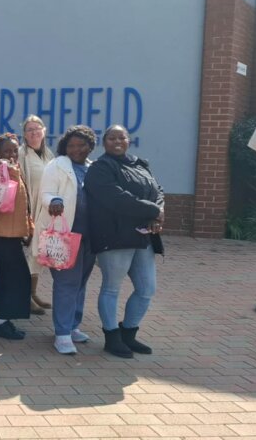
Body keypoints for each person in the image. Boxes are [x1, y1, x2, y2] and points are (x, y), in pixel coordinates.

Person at [84, 125, 165, 359]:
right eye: (112, 138)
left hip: (142, 236)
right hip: (115, 236)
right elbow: (116, 198)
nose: (117, 141)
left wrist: (158, 211)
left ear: (129, 140)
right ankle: (112, 337)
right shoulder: (100, 169)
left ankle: (128, 333)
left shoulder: (140, 164)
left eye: (122, 137)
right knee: (112, 287)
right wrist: (153, 210)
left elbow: (158, 190)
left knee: (147, 288)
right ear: (104, 142)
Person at [33, 126, 97, 355]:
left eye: (81, 145)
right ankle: (62, 334)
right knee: (66, 283)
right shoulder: (57, 165)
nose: (76, 149)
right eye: (71, 145)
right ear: (64, 147)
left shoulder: (93, 167)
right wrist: (54, 200)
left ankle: (73, 326)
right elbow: (46, 192)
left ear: (91, 146)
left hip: (90, 236)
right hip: (64, 235)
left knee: (80, 282)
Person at [0, 134, 34, 340]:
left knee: (9, 276)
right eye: (7, 151)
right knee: (11, 277)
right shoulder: (0, 170)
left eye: (14, 150)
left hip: (10, 232)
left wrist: (27, 228)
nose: (11, 154)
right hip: (1, 233)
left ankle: (3, 319)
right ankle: (1, 322)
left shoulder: (12, 168)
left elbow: (22, 205)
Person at [19, 115, 56, 316]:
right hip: (30, 210)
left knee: (39, 254)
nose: (34, 132)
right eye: (29, 129)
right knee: (29, 253)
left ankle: (32, 293)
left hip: (46, 211)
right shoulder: (21, 154)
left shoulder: (48, 154)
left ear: (44, 131)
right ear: (24, 134)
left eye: (37, 128)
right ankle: (25, 296)